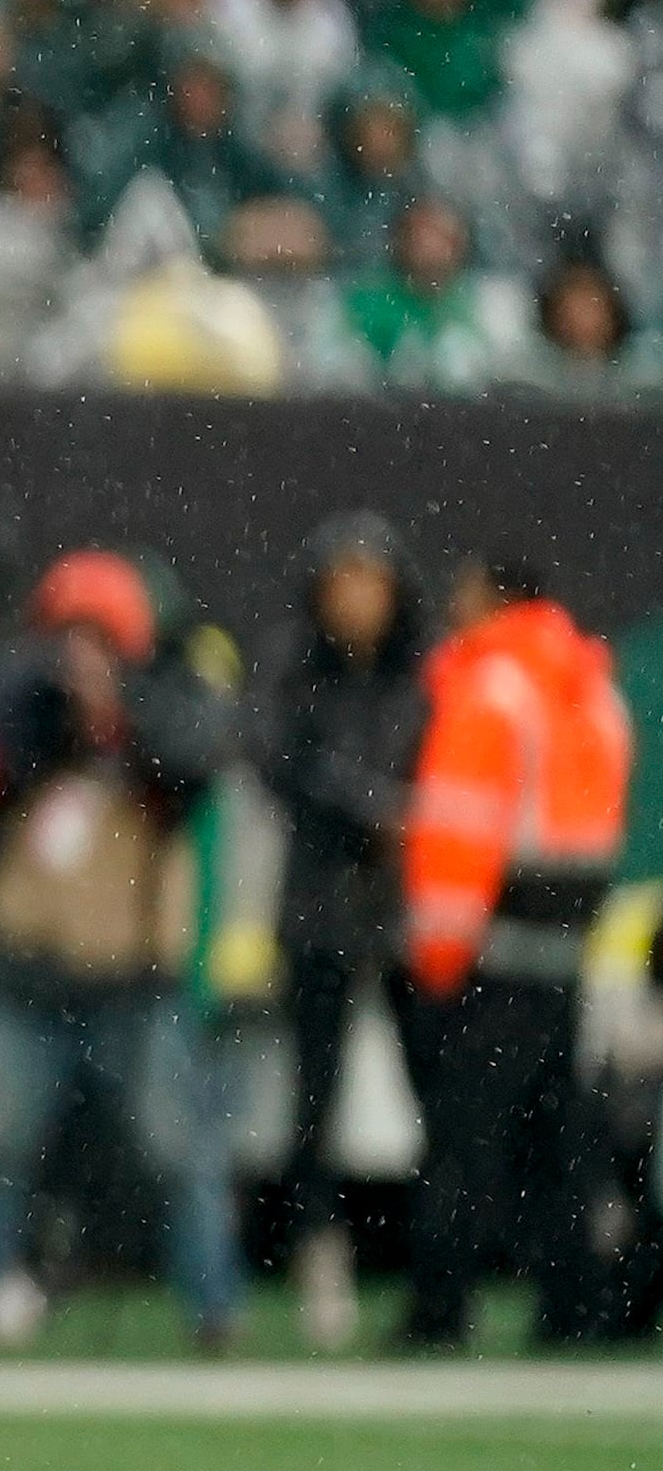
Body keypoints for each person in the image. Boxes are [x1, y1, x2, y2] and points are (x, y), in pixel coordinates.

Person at [0, 553, 245, 1349]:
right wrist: (50, 720)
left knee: (177, 1153)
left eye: (99, 640)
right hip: (31, 976)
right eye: (69, 639)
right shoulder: (24, 713)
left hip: (135, 978)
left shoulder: (171, 706)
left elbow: (192, 763)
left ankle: (216, 1313)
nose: (81, 657)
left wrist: (118, 712)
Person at [397, 551, 634, 1349]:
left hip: (492, 955)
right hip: (566, 954)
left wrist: (436, 956)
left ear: (495, 598)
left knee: (463, 1144)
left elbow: (458, 836)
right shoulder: (593, 692)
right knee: (562, 1146)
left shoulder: (490, 690)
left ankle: (440, 1312)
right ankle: (572, 1310)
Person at [268, 516, 424, 1347]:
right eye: (343, 584)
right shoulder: (301, 677)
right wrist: (369, 808)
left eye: (372, 583)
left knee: (441, 1089)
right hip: (323, 909)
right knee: (314, 1096)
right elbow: (281, 763)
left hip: (405, 913)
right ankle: (319, 1257)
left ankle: (438, 1271)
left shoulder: (420, 680)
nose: (358, 602)